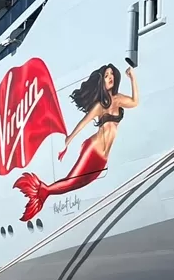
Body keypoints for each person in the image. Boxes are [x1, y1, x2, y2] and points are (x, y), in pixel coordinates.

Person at [15, 62, 138, 221]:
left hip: (102, 159)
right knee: (71, 181)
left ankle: (44, 191)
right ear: (102, 82)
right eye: (106, 75)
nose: (110, 77)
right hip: (93, 150)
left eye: (112, 74)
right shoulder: (100, 105)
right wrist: (67, 142)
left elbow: (135, 102)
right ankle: (43, 191)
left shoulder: (119, 99)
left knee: (78, 184)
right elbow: (82, 123)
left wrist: (132, 78)